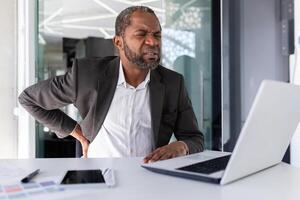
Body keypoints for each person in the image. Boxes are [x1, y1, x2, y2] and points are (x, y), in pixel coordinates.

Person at [19, 6, 204, 163]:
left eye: (157, 35)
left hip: (150, 180)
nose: (153, 41)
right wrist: (74, 130)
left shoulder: (173, 83)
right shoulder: (87, 75)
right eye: (141, 34)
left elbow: (195, 139)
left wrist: (182, 146)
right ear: (118, 42)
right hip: (99, 178)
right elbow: (29, 99)